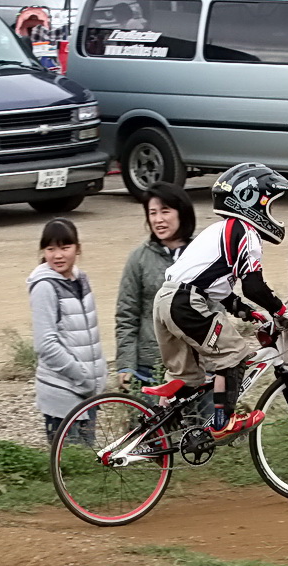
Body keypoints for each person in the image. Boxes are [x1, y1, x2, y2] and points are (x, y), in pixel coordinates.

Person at [153, 163, 288, 444]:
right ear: (251, 201)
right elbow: (253, 285)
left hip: (166, 300)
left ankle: (154, 432)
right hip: (185, 303)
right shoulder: (246, 232)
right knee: (233, 354)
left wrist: (249, 312)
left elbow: (220, 291)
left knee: (187, 380)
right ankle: (223, 422)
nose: (272, 215)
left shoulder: (221, 230)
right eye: (270, 205)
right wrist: (280, 311)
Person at [27, 218, 107, 443]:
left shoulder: (81, 279)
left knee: (85, 466)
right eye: (50, 248)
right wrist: (82, 376)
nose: (58, 255)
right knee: (69, 467)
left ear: (77, 248)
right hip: (63, 394)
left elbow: (89, 331)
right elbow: (46, 344)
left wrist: (97, 375)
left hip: (86, 393)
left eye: (65, 247)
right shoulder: (44, 286)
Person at [115, 182, 196, 392]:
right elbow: (126, 315)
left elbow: (217, 310)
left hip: (197, 366)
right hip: (150, 368)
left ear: (182, 213)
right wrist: (126, 365)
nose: (158, 219)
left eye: (165, 211)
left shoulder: (201, 255)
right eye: (152, 213)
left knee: (201, 424)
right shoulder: (138, 259)